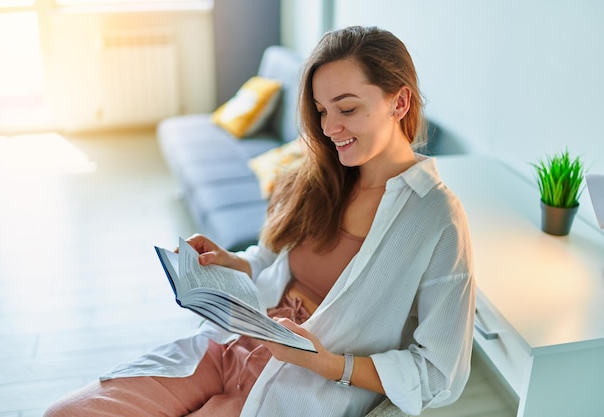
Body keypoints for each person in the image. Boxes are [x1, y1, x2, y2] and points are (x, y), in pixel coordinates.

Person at [44, 25, 475, 417]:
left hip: (299, 387)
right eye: (322, 111)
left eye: (346, 108)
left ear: (399, 102)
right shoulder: (318, 178)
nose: (329, 128)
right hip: (230, 346)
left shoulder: (436, 218)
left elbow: (439, 372)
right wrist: (231, 261)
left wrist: (328, 363)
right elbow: (270, 260)